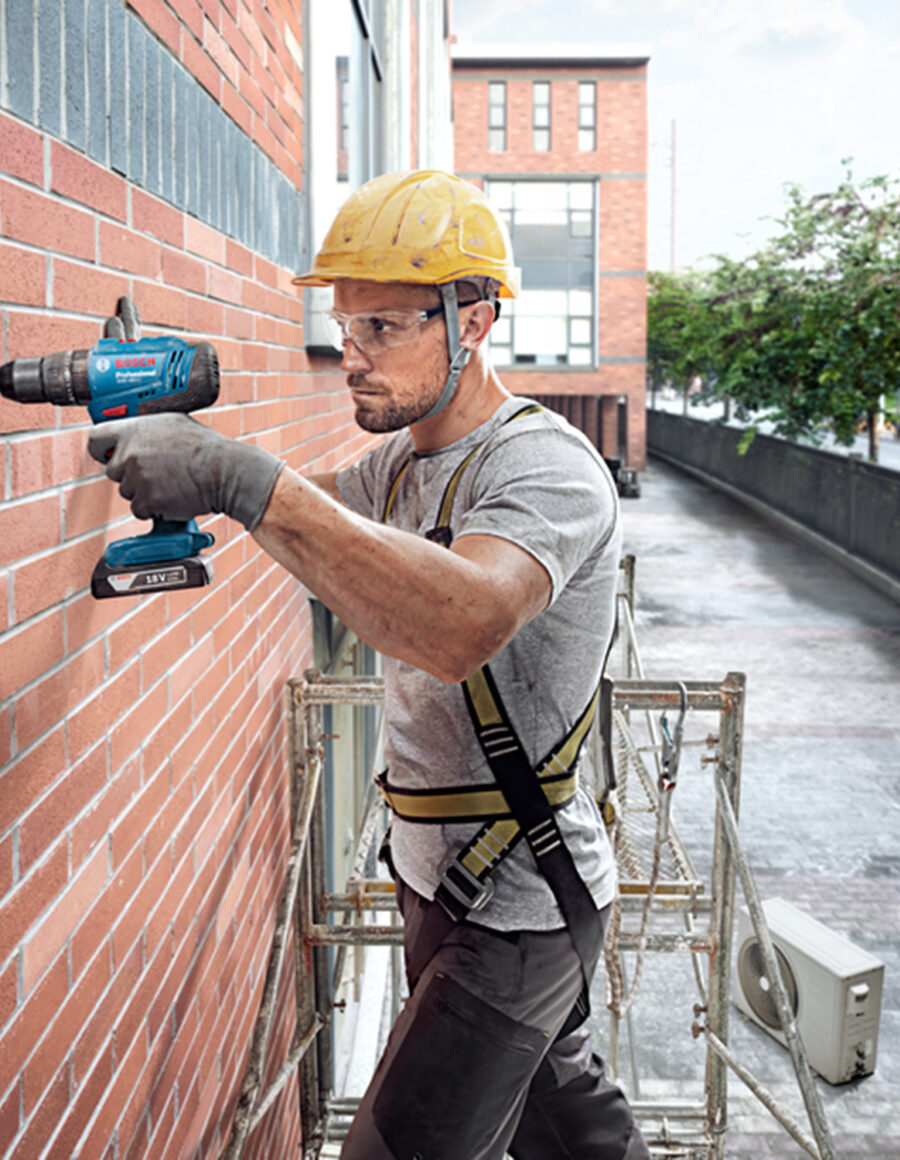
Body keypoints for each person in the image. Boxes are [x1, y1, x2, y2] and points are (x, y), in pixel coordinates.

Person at [89, 169, 649, 1159]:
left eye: (382, 328)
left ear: (470, 320)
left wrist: (236, 476)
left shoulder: (546, 470)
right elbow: (310, 523)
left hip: (517, 906)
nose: (350, 357)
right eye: (344, 329)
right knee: (562, 1128)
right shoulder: (395, 464)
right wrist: (176, 446)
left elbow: (457, 620)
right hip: (439, 883)